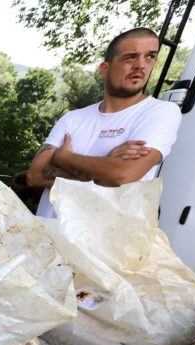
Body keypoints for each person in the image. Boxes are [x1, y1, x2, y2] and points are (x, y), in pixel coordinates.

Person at [26, 27, 182, 218]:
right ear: (105, 69)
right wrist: (105, 167)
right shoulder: (73, 118)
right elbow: (34, 176)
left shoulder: (161, 112)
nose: (141, 66)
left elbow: (122, 176)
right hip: (46, 239)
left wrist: (63, 158)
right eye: (130, 57)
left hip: (103, 245)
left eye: (149, 57)